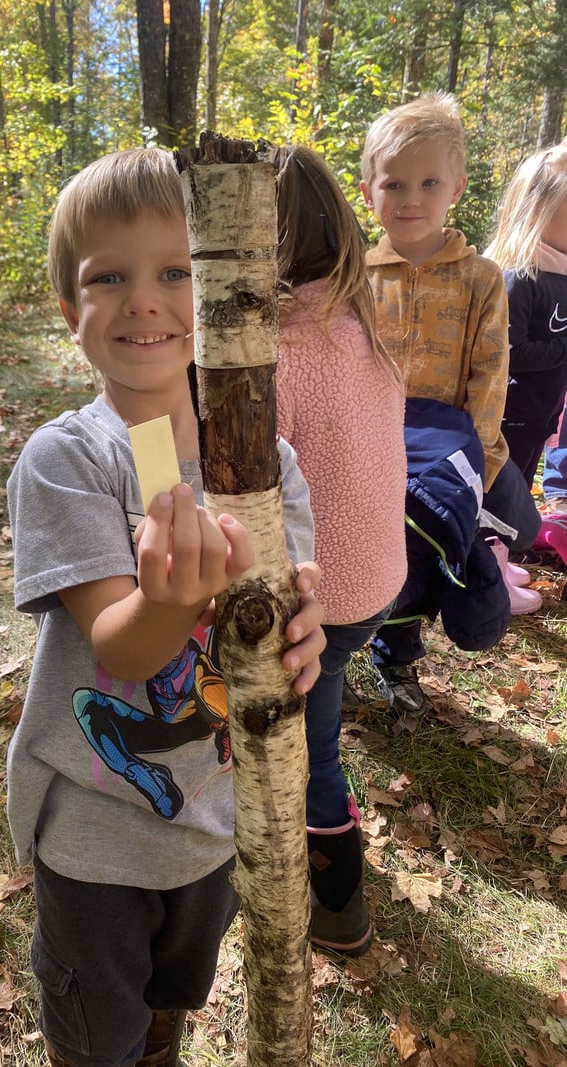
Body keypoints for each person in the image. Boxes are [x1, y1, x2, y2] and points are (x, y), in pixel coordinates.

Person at [5, 147, 326, 1067]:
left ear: (223, 296)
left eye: (176, 272)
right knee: (96, 1033)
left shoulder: (265, 465)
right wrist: (167, 599)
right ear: (69, 311)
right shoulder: (68, 460)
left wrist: (300, 637)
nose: (144, 301)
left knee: (170, 1004)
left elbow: (282, 607)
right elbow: (124, 647)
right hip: (98, 837)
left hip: (219, 819)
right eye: (110, 277)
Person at [273, 144, 407, 955]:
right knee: (322, 714)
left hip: (324, 599)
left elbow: (248, 490)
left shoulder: (278, 354)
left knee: (314, 753)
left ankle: (339, 907)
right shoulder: (365, 329)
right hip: (379, 581)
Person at [359, 91, 516, 715]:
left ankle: (397, 658)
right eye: (394, 184)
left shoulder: (481, 278)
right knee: (364, 549)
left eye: (429, 182)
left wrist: (479, 462)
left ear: (457, 188)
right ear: (368, 191)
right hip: (368, 448)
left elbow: (491, 373)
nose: (411, 198)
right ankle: (339, 644)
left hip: (446, 457)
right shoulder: (356, 276)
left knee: (419, 557)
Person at [483, 143, 567, 490]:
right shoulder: (520, 278)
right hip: (510, 420)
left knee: (520, 496)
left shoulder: (561, 275)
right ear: (537, 210)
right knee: (500, 497)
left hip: (540, 417)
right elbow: (510, 352)